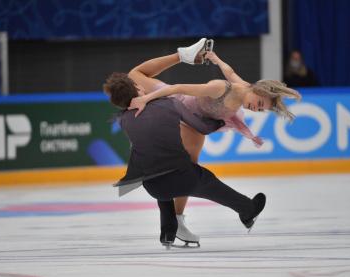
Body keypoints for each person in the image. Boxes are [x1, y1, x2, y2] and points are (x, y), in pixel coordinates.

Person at [105, 38, 300, 245]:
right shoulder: (219, 88)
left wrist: (216, 58)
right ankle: (178, 220)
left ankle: (176, 220)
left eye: (261, 109)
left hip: (197, 122)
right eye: (259, 103)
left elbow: (229, 70)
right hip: (184, 107)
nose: (256, 109)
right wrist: (145, 98)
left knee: (182, 168)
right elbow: (178, 89)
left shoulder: (243, 86)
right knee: (134, 76)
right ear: (258, 90)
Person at [105, 72, 266, 247]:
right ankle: (248, 209)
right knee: (208, 181)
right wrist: (221, 122)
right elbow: (202, 127)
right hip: (183, 178)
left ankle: (167, 231)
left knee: (158, 171)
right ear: (137, 88)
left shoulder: (123, 120)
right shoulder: (170, 104)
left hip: (151, 186)